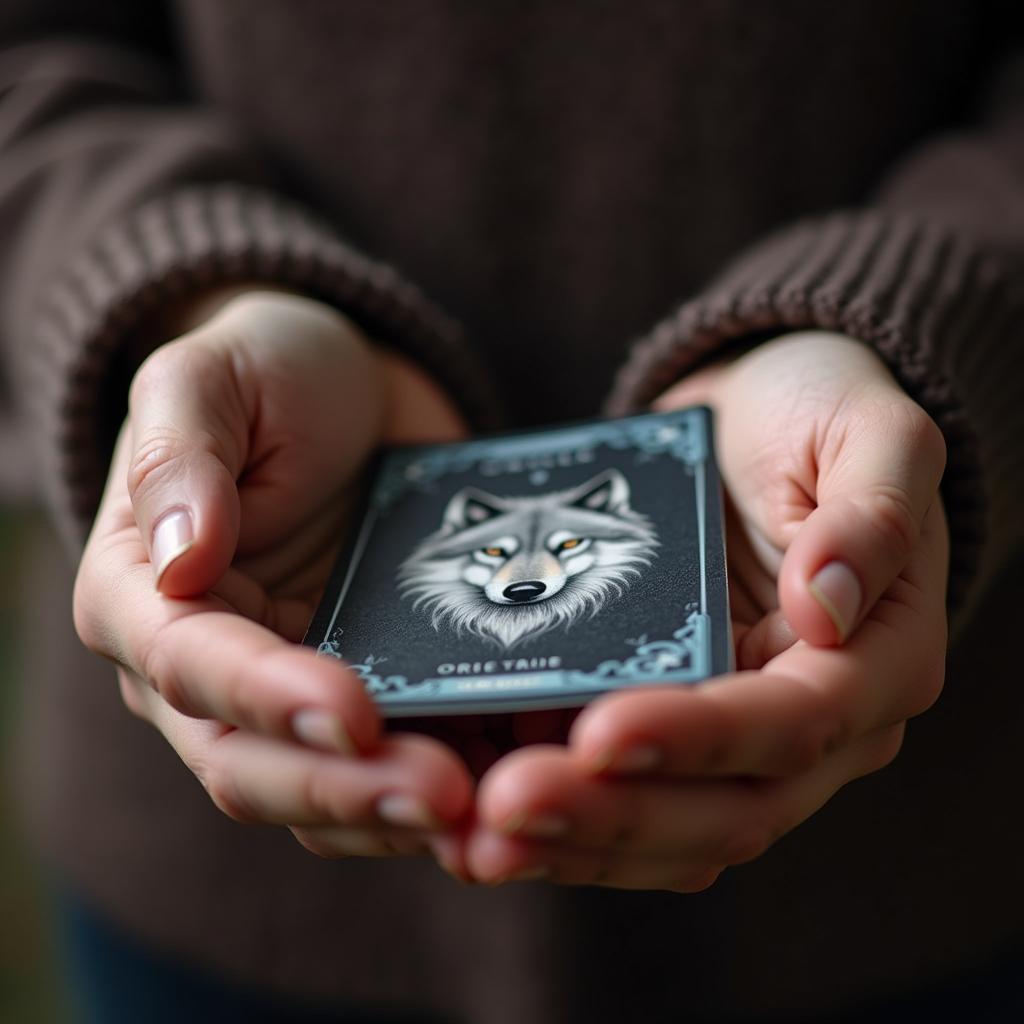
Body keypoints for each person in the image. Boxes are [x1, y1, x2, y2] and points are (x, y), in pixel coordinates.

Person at [2, 2, 1022, 1021]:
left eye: (569, 548)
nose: (526, 575)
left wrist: (938, 321)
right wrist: (178, 295)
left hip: (902, 879)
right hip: (217, 893)